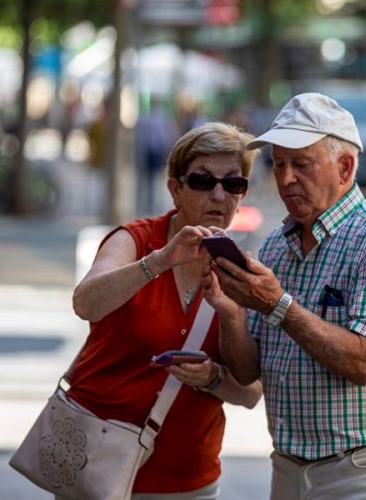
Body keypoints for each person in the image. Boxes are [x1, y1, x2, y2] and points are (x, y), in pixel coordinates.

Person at [201, 93, 366, 499]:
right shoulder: (275, 245)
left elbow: (363, 363)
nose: (286, 179)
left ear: (345, 167)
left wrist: (277, 304)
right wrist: (231, 310)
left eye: (301, 164)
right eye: (279, 163)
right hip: (289, 466)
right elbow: (248, 372)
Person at [70, 122, 262, 499]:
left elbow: (251, 393)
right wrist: (158, 262)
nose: (220, 195)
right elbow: (84, 303)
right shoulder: (137, 239)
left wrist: (211, 376)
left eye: (233, 184)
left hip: (188, 478)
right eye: (203, 182)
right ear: (175, 188)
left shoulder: (243, 270)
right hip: (97, 462)